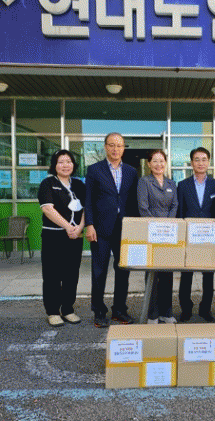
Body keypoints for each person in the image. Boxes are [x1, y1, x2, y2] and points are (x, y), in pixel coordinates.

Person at [85, 132, 138, 328]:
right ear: (105, 147)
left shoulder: (131, 171)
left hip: (124, 229)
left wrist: (136, 228)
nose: (115, 149)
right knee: (99, 272)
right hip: (100, 229)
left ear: (123, 148)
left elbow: (133, 202)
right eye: (112, 145)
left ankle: (119, 309)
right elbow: (88, 200)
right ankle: (99, 311)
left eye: (119, 145)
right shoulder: (94, 170)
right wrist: (89, 224)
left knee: (123, 271)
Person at [38, 150, 86, 327]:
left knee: (71, 274)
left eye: (69, 161)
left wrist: (79, 228)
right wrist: (68, 227)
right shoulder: (48, 183)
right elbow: (48, 209)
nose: (65, 165)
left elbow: (87, 208)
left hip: (75, 237)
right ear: (54, 165)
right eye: (61, 162)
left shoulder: (79, 184)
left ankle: (67, 309)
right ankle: (52, 311)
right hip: (53, 236)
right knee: (52, 275)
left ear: (73, 165)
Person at [177, 147, 215, 322]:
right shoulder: (183, 185)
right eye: (196, 159)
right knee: (186, 274)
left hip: (209, 237)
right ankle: (186, 309)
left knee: (208, 276)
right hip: (189, 236)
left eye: (204, 159)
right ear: (191, 163)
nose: (200, 163)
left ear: (208, 162)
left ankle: (205, 309)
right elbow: (180, 212)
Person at [137, 149, 178, 324]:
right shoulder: (144, 182)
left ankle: (166, 313)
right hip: (151, 233)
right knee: (153, 275)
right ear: (149, 164)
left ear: (166, 163)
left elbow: (174, 205)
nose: (158, 164)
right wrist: (157, 227)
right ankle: (152, 314)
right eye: (155, 161)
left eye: (162, 161)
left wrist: (168, 225)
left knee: (167, 273)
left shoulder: (171, 183)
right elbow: (143, 207)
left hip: (169, 233)